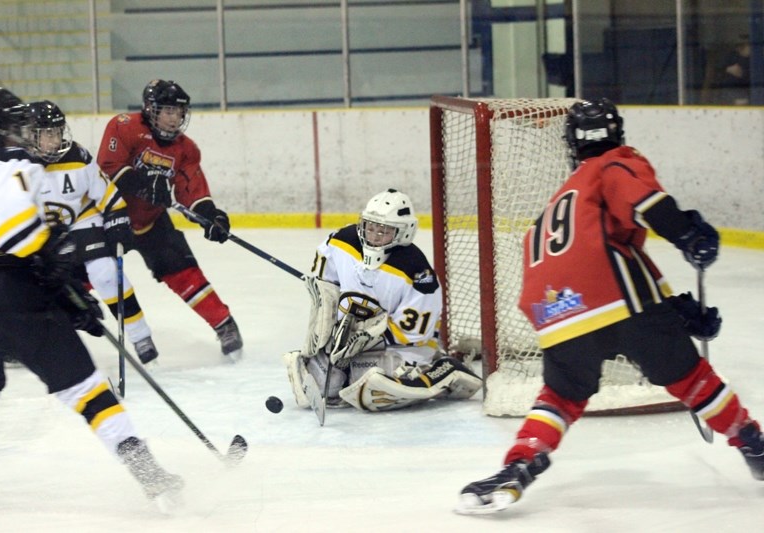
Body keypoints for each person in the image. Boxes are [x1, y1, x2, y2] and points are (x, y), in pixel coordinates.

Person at [455, 98, 764, 514]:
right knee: (692, 378)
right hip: (613, 295)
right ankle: (752, 441)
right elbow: (643, 202)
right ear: (615, 134)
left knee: (561, 396)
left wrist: (672, 310)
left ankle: (519, 463)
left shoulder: (558, 202)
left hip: (553, 312)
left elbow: (597, 258)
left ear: (571, 145)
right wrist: (687, 232)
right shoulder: (613, 163)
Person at [0, 87, 183, 510]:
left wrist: (59, 286)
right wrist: (60, 282)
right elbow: (18, 238)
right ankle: (151, 476)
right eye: (15, 123)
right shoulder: (11, 167)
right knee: (87, 388)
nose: (24, 132)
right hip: (12, 294)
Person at [284, 189, 481, 412]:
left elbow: (416, 332)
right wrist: (327, 331)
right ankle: (346, 370)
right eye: (371, 227)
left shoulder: (416, 271)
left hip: (399, 346)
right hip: (347, 339)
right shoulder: (340, 242)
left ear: (403, 233)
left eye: (384, 231)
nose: (374, 235)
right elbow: (327, 287)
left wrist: (372, 338)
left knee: (372, 388)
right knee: (325, 388)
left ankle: (445, 369)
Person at [96, 79, 242, 360]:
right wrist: (142, 181)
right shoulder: (124, 126)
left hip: (152, 221)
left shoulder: (186, 149)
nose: (175, 118)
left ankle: (224, 324)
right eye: (167, 111)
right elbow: (108, 166)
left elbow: (191, 190)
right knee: (86, 272)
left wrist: (211, 215)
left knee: (182, 268)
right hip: (110, 219)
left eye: (178, 112)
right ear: (150, 109)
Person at [25, 99, 159, 364]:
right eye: (47, 134)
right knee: (27, 284)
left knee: (106, 273)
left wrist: (118, 220)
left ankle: (140, 335)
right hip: (42, 235)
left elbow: (107, 195)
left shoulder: (78, 157)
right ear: (31, 136)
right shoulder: (17, 166)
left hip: (81, 222)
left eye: (57, 132)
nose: (55, 140)